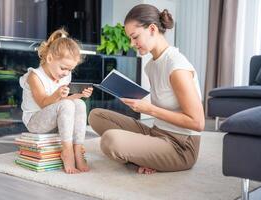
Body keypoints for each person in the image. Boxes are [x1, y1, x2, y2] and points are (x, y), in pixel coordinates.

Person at [88, 4, 205, 174]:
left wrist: (149, 109)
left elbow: (198, 123)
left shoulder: (177, 67)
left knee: (110, 140)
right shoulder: (151, 66)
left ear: (152, 29)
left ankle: (142, 157)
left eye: (135, 37)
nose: (131, 43)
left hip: (181, 146)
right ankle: (143, 156)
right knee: (96, 115)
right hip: (156, 132)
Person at [19, 28, 93, 174]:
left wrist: (79, 95)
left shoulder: (64, 76)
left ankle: (77, 150)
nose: (66, 73)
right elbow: (43, 103)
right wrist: (58, 94)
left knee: (79, 103)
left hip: (56, 119)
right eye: (63, 68)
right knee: (66, 103)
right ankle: (67, 152)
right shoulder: (34, 76)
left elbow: (66, 104)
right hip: (35, 122)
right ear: (50, 58)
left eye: (70, 70)